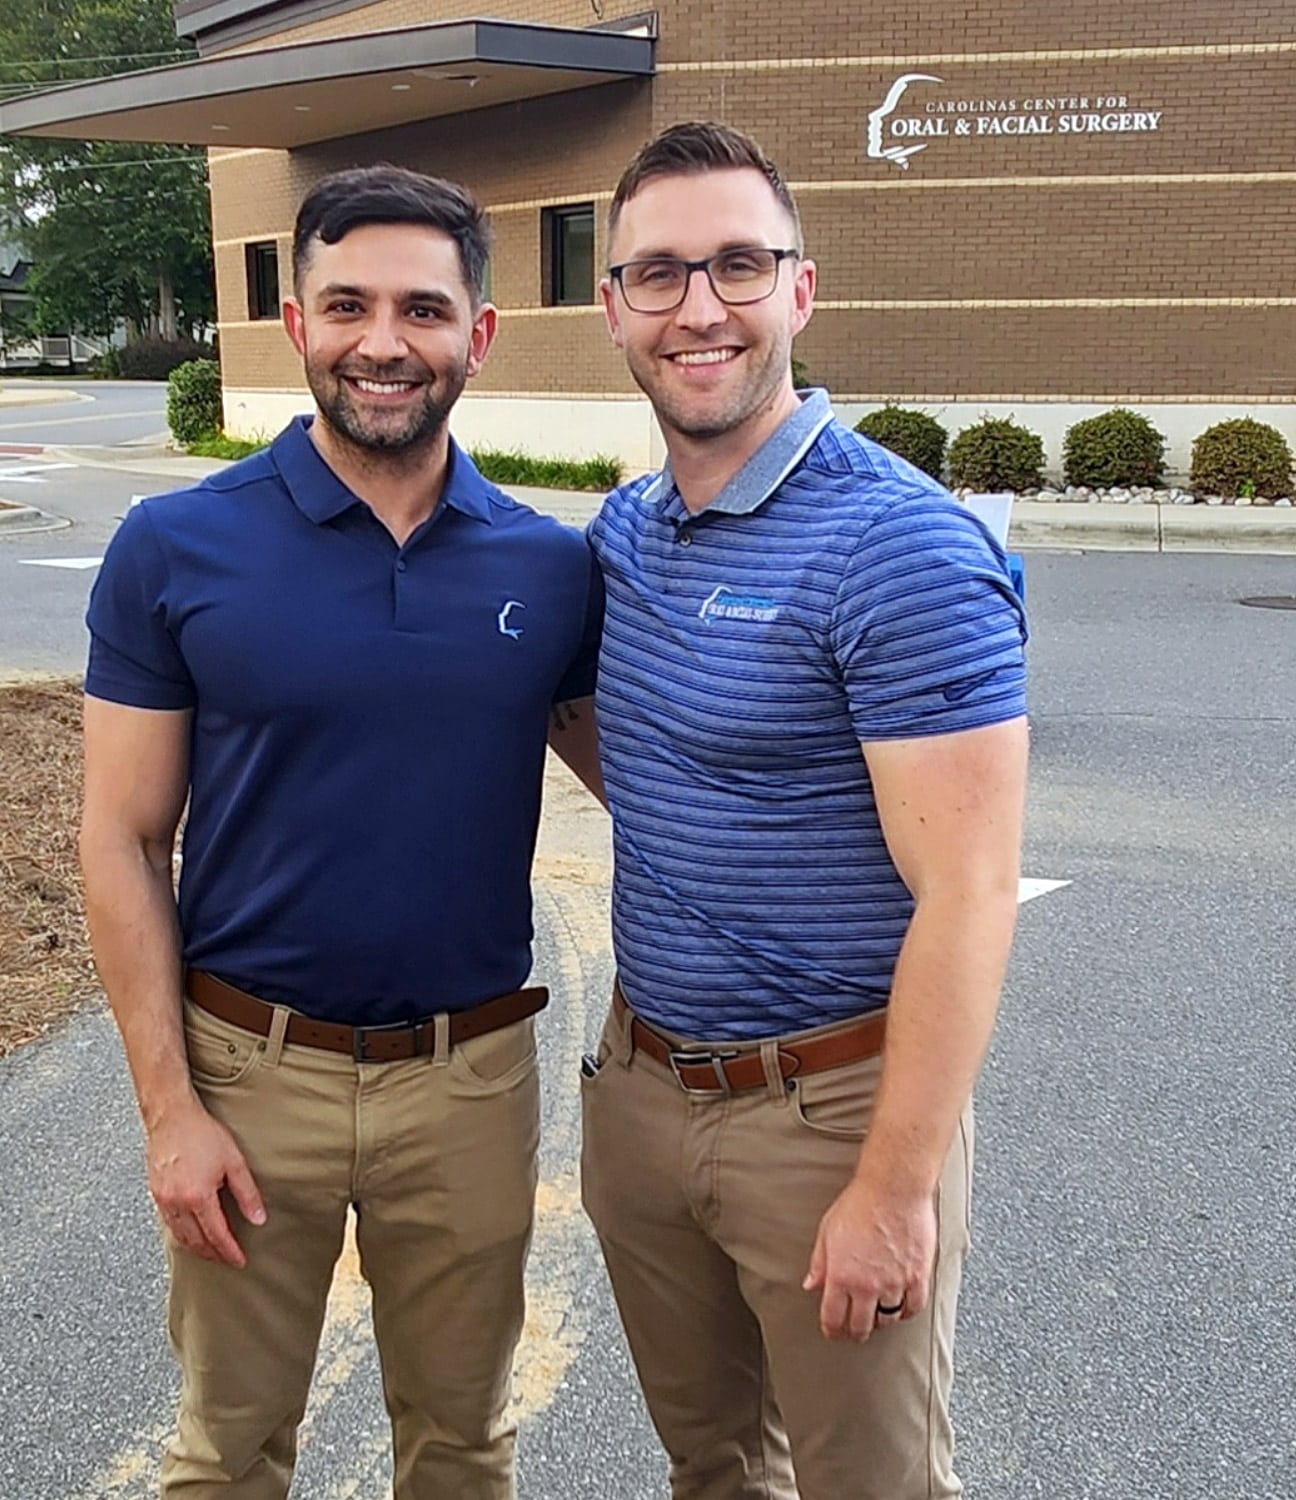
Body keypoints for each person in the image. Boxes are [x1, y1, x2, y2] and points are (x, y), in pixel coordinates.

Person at [78, 165, 602, 1499]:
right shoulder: (175, 547)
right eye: (347, 305)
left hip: (469, 1081)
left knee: (462, 1444)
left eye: (424, 309)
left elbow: (668, 792)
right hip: (250, 1076)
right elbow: (124, 842)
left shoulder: (548, 569)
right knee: (229, 1449)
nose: (385, 341)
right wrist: (168, 1114)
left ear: (477, 335)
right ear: (299, 324)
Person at [569, 122, 1030, 1498]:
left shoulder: (901, 546)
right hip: (644, 1094)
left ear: (801, 292)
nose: (698, 307)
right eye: (659, 274)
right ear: (614, 309)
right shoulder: (624, 534)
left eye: (738, 265)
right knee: (713, 1468)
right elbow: (629, 750)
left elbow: (972, 891)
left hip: (833, 1112)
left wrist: (893, 1193)